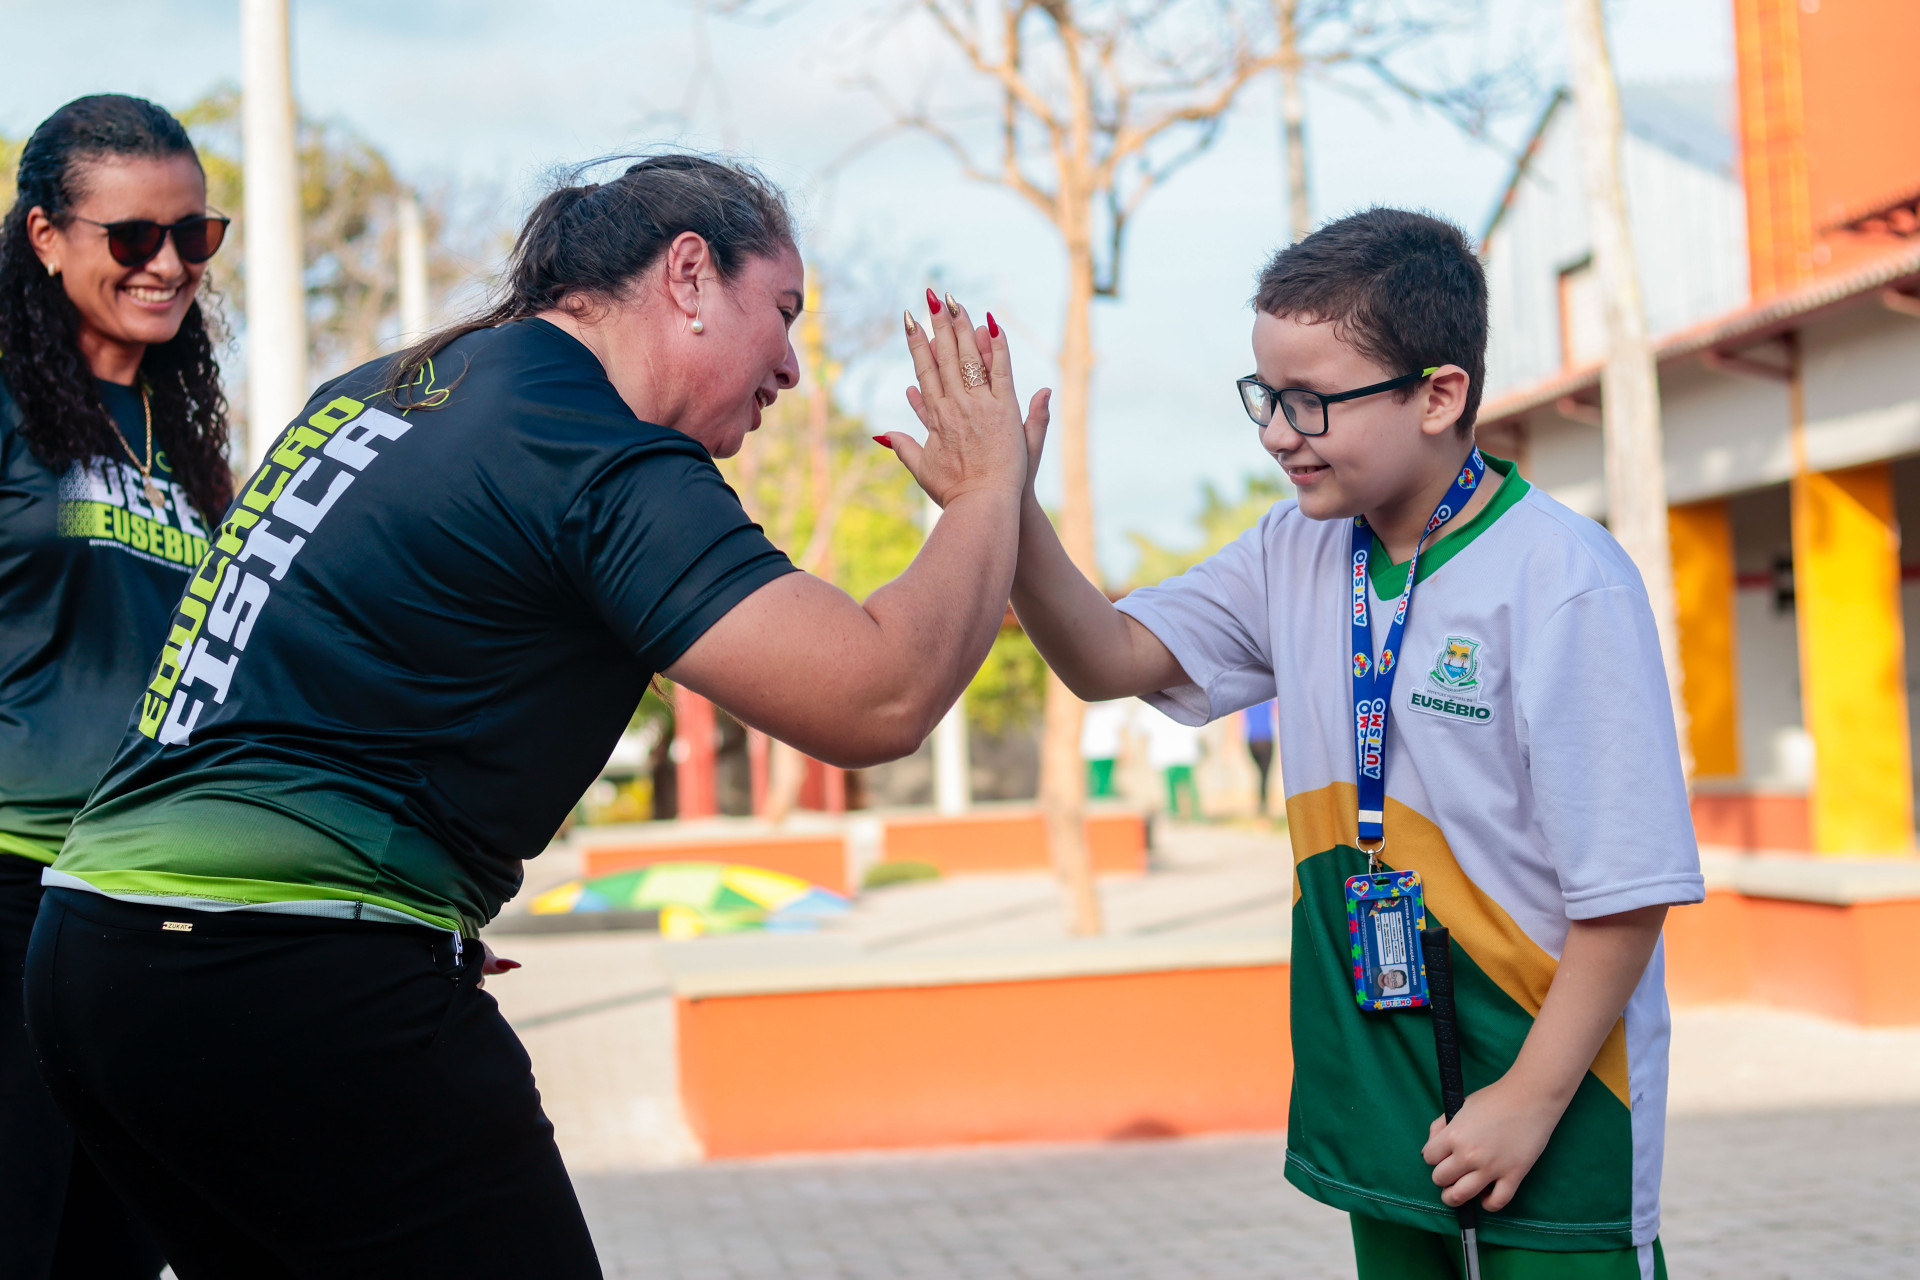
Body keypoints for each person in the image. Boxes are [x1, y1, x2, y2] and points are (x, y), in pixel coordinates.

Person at [25, 154, 1042, 1279]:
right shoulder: (589, 447)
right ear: (690, 275)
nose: (793, 366)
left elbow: (292, 668)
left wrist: (412, 888)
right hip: (280, 972)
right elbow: (877, 692)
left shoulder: (387, 387)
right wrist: (988, 489)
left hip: (97, 955)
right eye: (784, 313)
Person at [996, 208, 1702, 1279]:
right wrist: (1001, 508)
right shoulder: (1295, 549)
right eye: (1266, 397)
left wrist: (1526, 1099)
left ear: (1438, 393)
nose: (1279, 430)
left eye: (1312, 400)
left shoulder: (1563, 579)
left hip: (1554, 1096)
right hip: (1378, 1087)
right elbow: (1107, 655)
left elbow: (1628, 887)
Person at [1, 94, 234, 1280]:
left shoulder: (182, 438)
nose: (167, 265)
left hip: (147, 911)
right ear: (46, 235)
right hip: (13, 887)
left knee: (120, 1249)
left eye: (193, 236)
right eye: (131, 237)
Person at [1135, 701, 1203, 820]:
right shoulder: (1187, 702)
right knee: (1188, 786)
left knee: (1172, 789)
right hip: (1184, 752)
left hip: (1166, 754)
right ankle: (1194, 815)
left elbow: (1141, 733)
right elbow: (1200, 729)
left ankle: (1177, 815)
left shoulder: (1149, 706)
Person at [1079, 698, 1129, 798]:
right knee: (1100, 782)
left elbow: (1122, 728)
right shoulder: (1115, 705)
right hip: (1099, 749)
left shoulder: (1088, 704)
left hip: (1102, 749)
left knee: (1101, 781)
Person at [1244, 696, 1277, 813]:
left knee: (1259, 775)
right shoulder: (1269, 697)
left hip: (1251, 741)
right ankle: (1263, 811)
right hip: (1266, 740)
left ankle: (1259, 807)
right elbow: (1277, 715)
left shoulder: (1246, 700)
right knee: (1264, 776)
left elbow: (1237, 720)